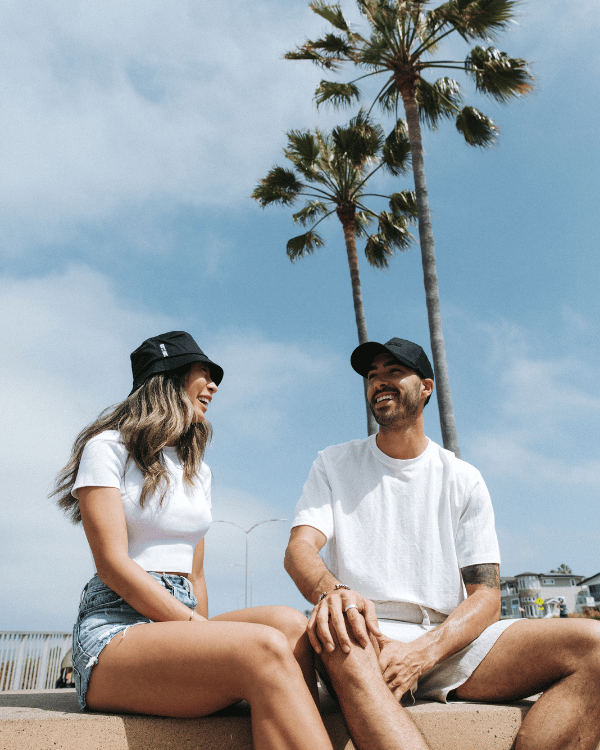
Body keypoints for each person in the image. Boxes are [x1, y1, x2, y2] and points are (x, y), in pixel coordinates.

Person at [284, 337, 600, 750]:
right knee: (343, 630)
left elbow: (485, 596)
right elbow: (299, 550)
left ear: (426, 387)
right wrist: (336, 595)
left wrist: (423, 652)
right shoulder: (333, 463)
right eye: (372, 375)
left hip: (448, 642)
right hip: (366, 635)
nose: (379, 382)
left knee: (594, 648)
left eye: (393, 372)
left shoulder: (462, 478)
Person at [54, 331, 333, 750]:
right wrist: (196, 628)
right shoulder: (107, 448)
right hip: (116, 629)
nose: (215, 386)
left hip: (178, 621)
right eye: (204, 374)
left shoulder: (194, 470)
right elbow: (112, 563)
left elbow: (196, 575)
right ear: (168, 378)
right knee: (261, 647)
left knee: (291, 625)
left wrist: (204, 638)